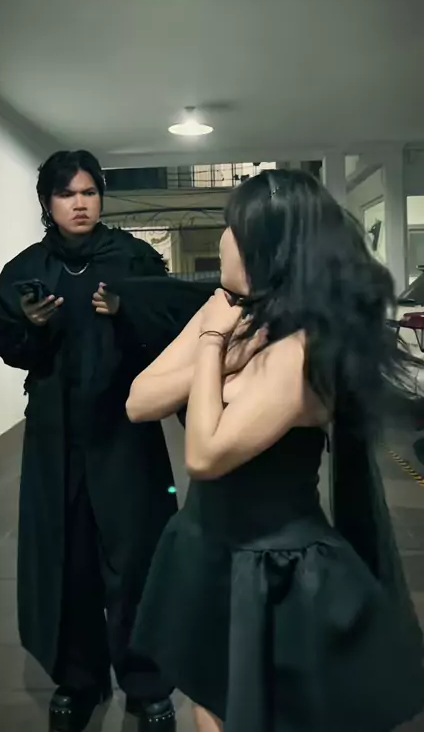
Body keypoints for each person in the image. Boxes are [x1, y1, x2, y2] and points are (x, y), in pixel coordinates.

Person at [126, 168, 424, 732]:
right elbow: (139, 401)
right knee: (208, 697)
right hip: (202, 546)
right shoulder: (227, 309)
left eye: (232, 228)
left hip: (270, 568)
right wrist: (226, 352)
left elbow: (205, 455)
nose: (222, 239)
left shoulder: (302, 349)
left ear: (269, 248)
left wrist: (212, 346)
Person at [0, 150, 182, 732]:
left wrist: (125, 312)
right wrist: (30, 327)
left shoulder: (135, 258)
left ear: (101, 197)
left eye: (89, 192)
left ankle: (146, 684)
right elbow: (13, 351)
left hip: (125, 431)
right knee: (66, 557)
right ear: (47, 202)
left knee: (136, 557)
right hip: (55, 437)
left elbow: (168, 339)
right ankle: (78, 678)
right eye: (66, 194)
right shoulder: (27, 269)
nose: (79, 204)